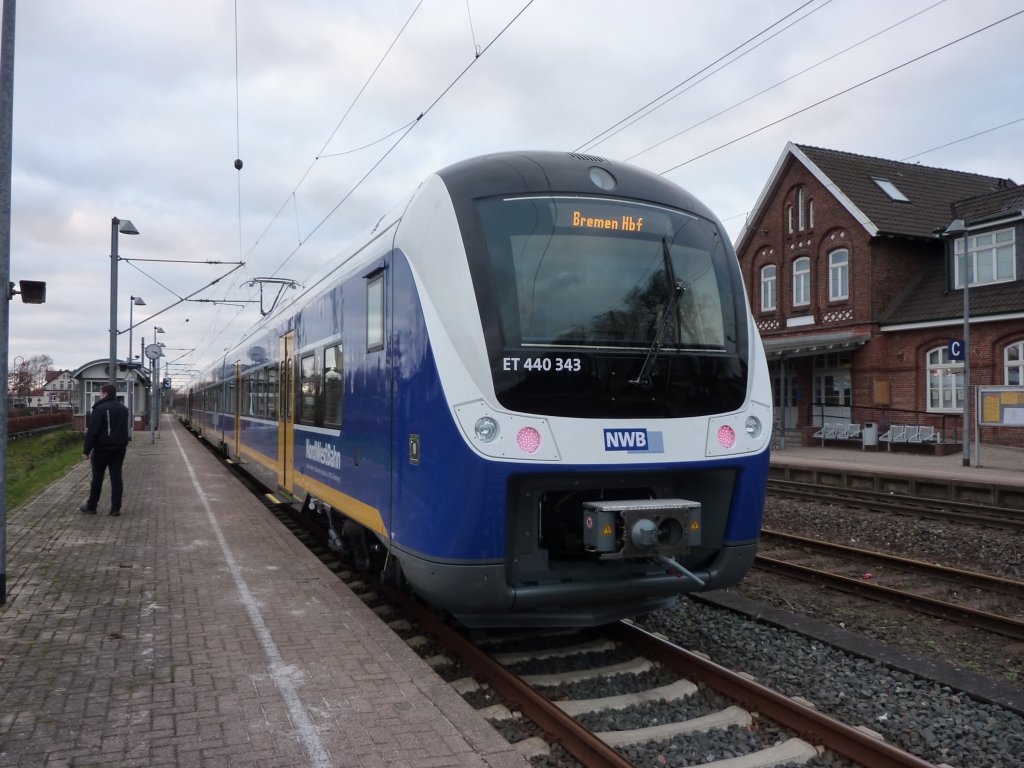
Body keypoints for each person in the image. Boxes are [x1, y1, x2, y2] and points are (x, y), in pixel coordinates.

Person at [80, 383, 131, 516]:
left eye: (100, 393)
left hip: (102, 449)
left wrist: (86, 451)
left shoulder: (99, 409)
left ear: (105, 394)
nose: (99, 395)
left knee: (97, 478)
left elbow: (92, 432)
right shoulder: (124, 410)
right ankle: (115, 508)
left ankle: (91, 506)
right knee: (116, 476)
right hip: (119, 449)